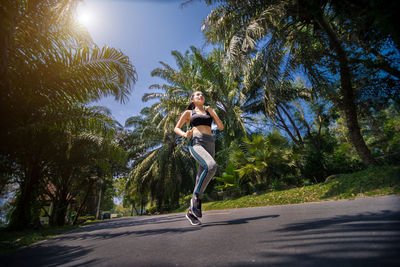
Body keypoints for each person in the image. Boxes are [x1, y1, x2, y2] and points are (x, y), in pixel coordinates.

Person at [174, 91, 224, 225]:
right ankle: (196, 197)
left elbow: (220, 126)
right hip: (197, 143)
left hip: (210, 144)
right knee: (211, 166)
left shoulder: (208, 112)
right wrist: (185, 134)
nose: (200, 96)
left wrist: (213, 113)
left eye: (202, 94)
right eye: (197, 95)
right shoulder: (189, 113)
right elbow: (176, 128)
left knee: (201, 177)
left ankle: (191, 213)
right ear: (192, 99)